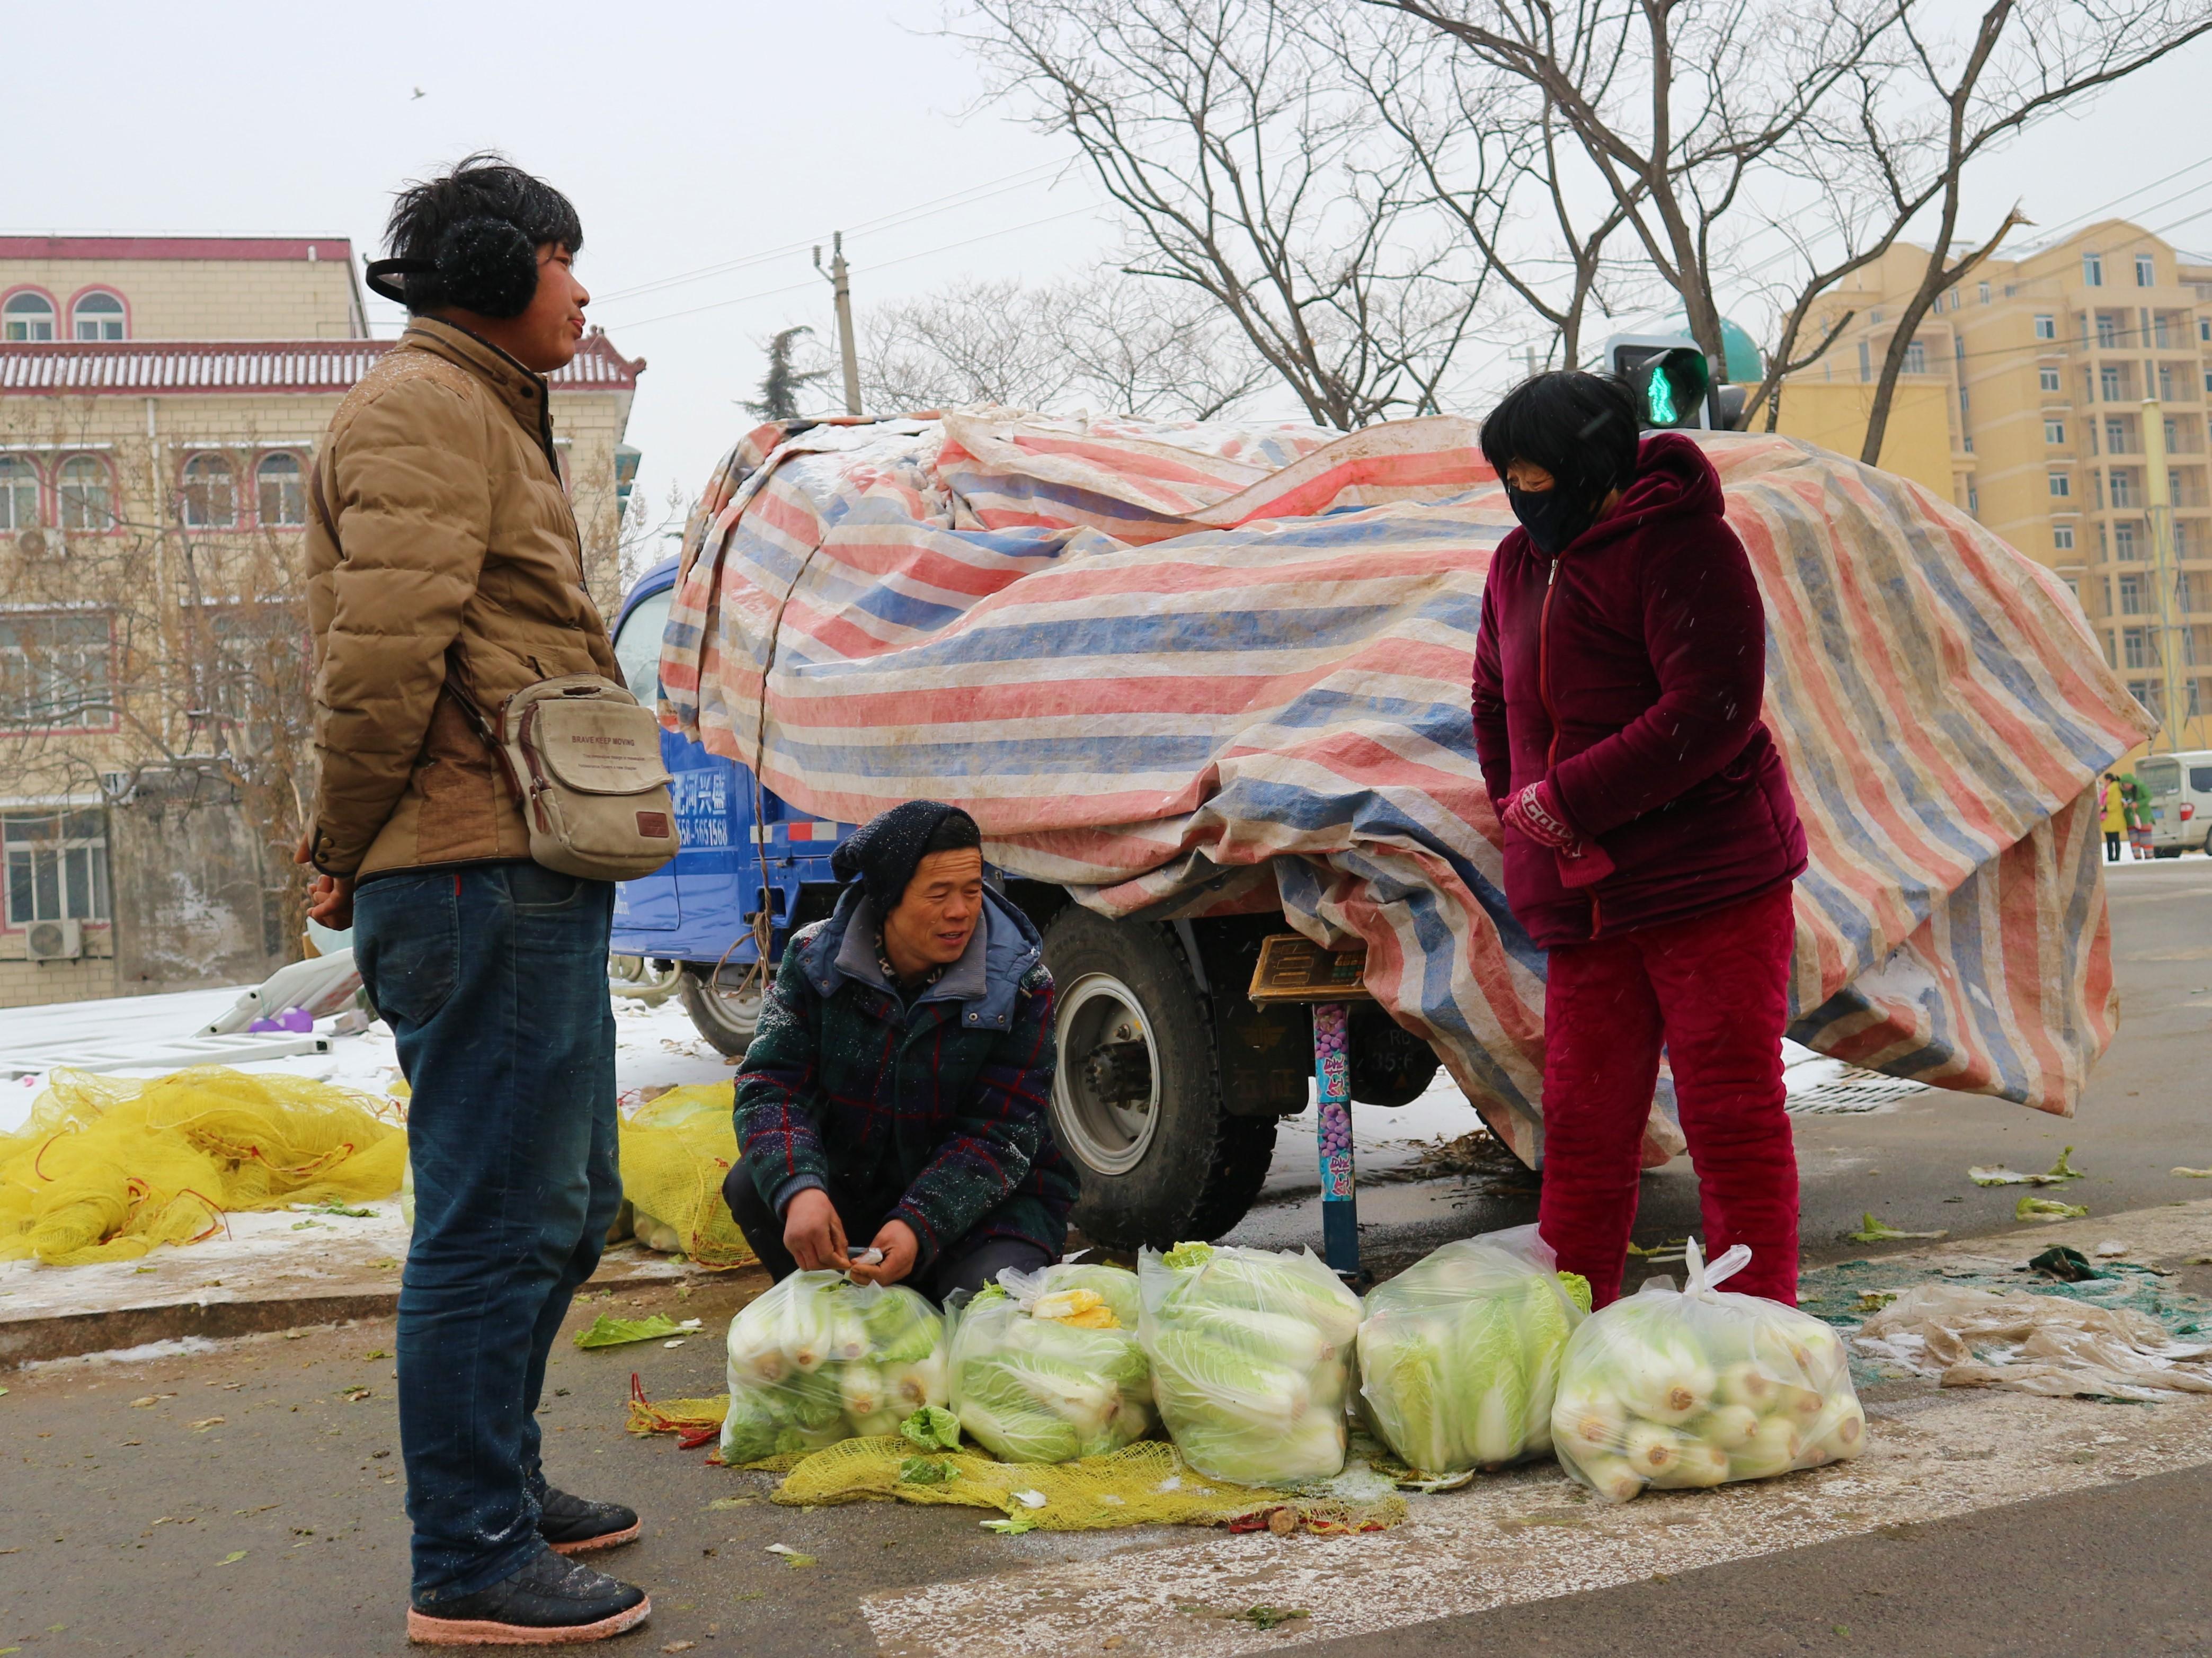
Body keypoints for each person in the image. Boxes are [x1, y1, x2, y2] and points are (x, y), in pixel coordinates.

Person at [297, 155, 650, 1645]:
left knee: (567, 1210)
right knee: (492, 1225)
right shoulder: (424, 412)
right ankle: (469, 1554)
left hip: (522, 862)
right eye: (568, 262)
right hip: (464, 868)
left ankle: (496, 1481)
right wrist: (340, 837)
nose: (582, 291)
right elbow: (379, 658)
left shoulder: (479, 406)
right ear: (505, 270)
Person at [1469, 371, 1809, 1309]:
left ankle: (1759, 1331)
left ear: (1590, 467)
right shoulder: (1514, 565)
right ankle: (1571, 1328)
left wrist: (1569, 800)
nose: (1522, 499)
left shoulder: (1687, 547)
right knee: (1583, 1124)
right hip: (1587, 896)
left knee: (1729, 1110)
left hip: (1712, 880)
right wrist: (1520, 807)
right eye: (1510, 479)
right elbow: (1494, 698)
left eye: (1537, 479)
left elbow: (1713, 710)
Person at [725, 800, 1078, 1300]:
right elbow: (769, 1086)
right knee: (755, 1186)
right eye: (938, 894)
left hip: (983, 1204)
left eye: (972, 891)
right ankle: (833, 1322)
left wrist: (919, 1223)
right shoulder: (814, 961)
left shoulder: (1020, 985)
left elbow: (1001, 1133)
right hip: (857, 1185)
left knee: (978, 1303)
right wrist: (802, 1189)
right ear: (887, 898)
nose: (960, 911)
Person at [2101, 771, 2127, 862]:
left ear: (2109, 780)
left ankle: (2116, 857)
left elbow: (2116, 803)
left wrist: (2105, 809)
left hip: (2114, 818)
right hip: (2109, 819)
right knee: (2110, 840)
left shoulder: (2114, 788)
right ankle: (2111, 857)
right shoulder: (2109, 788)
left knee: (2115, 839)